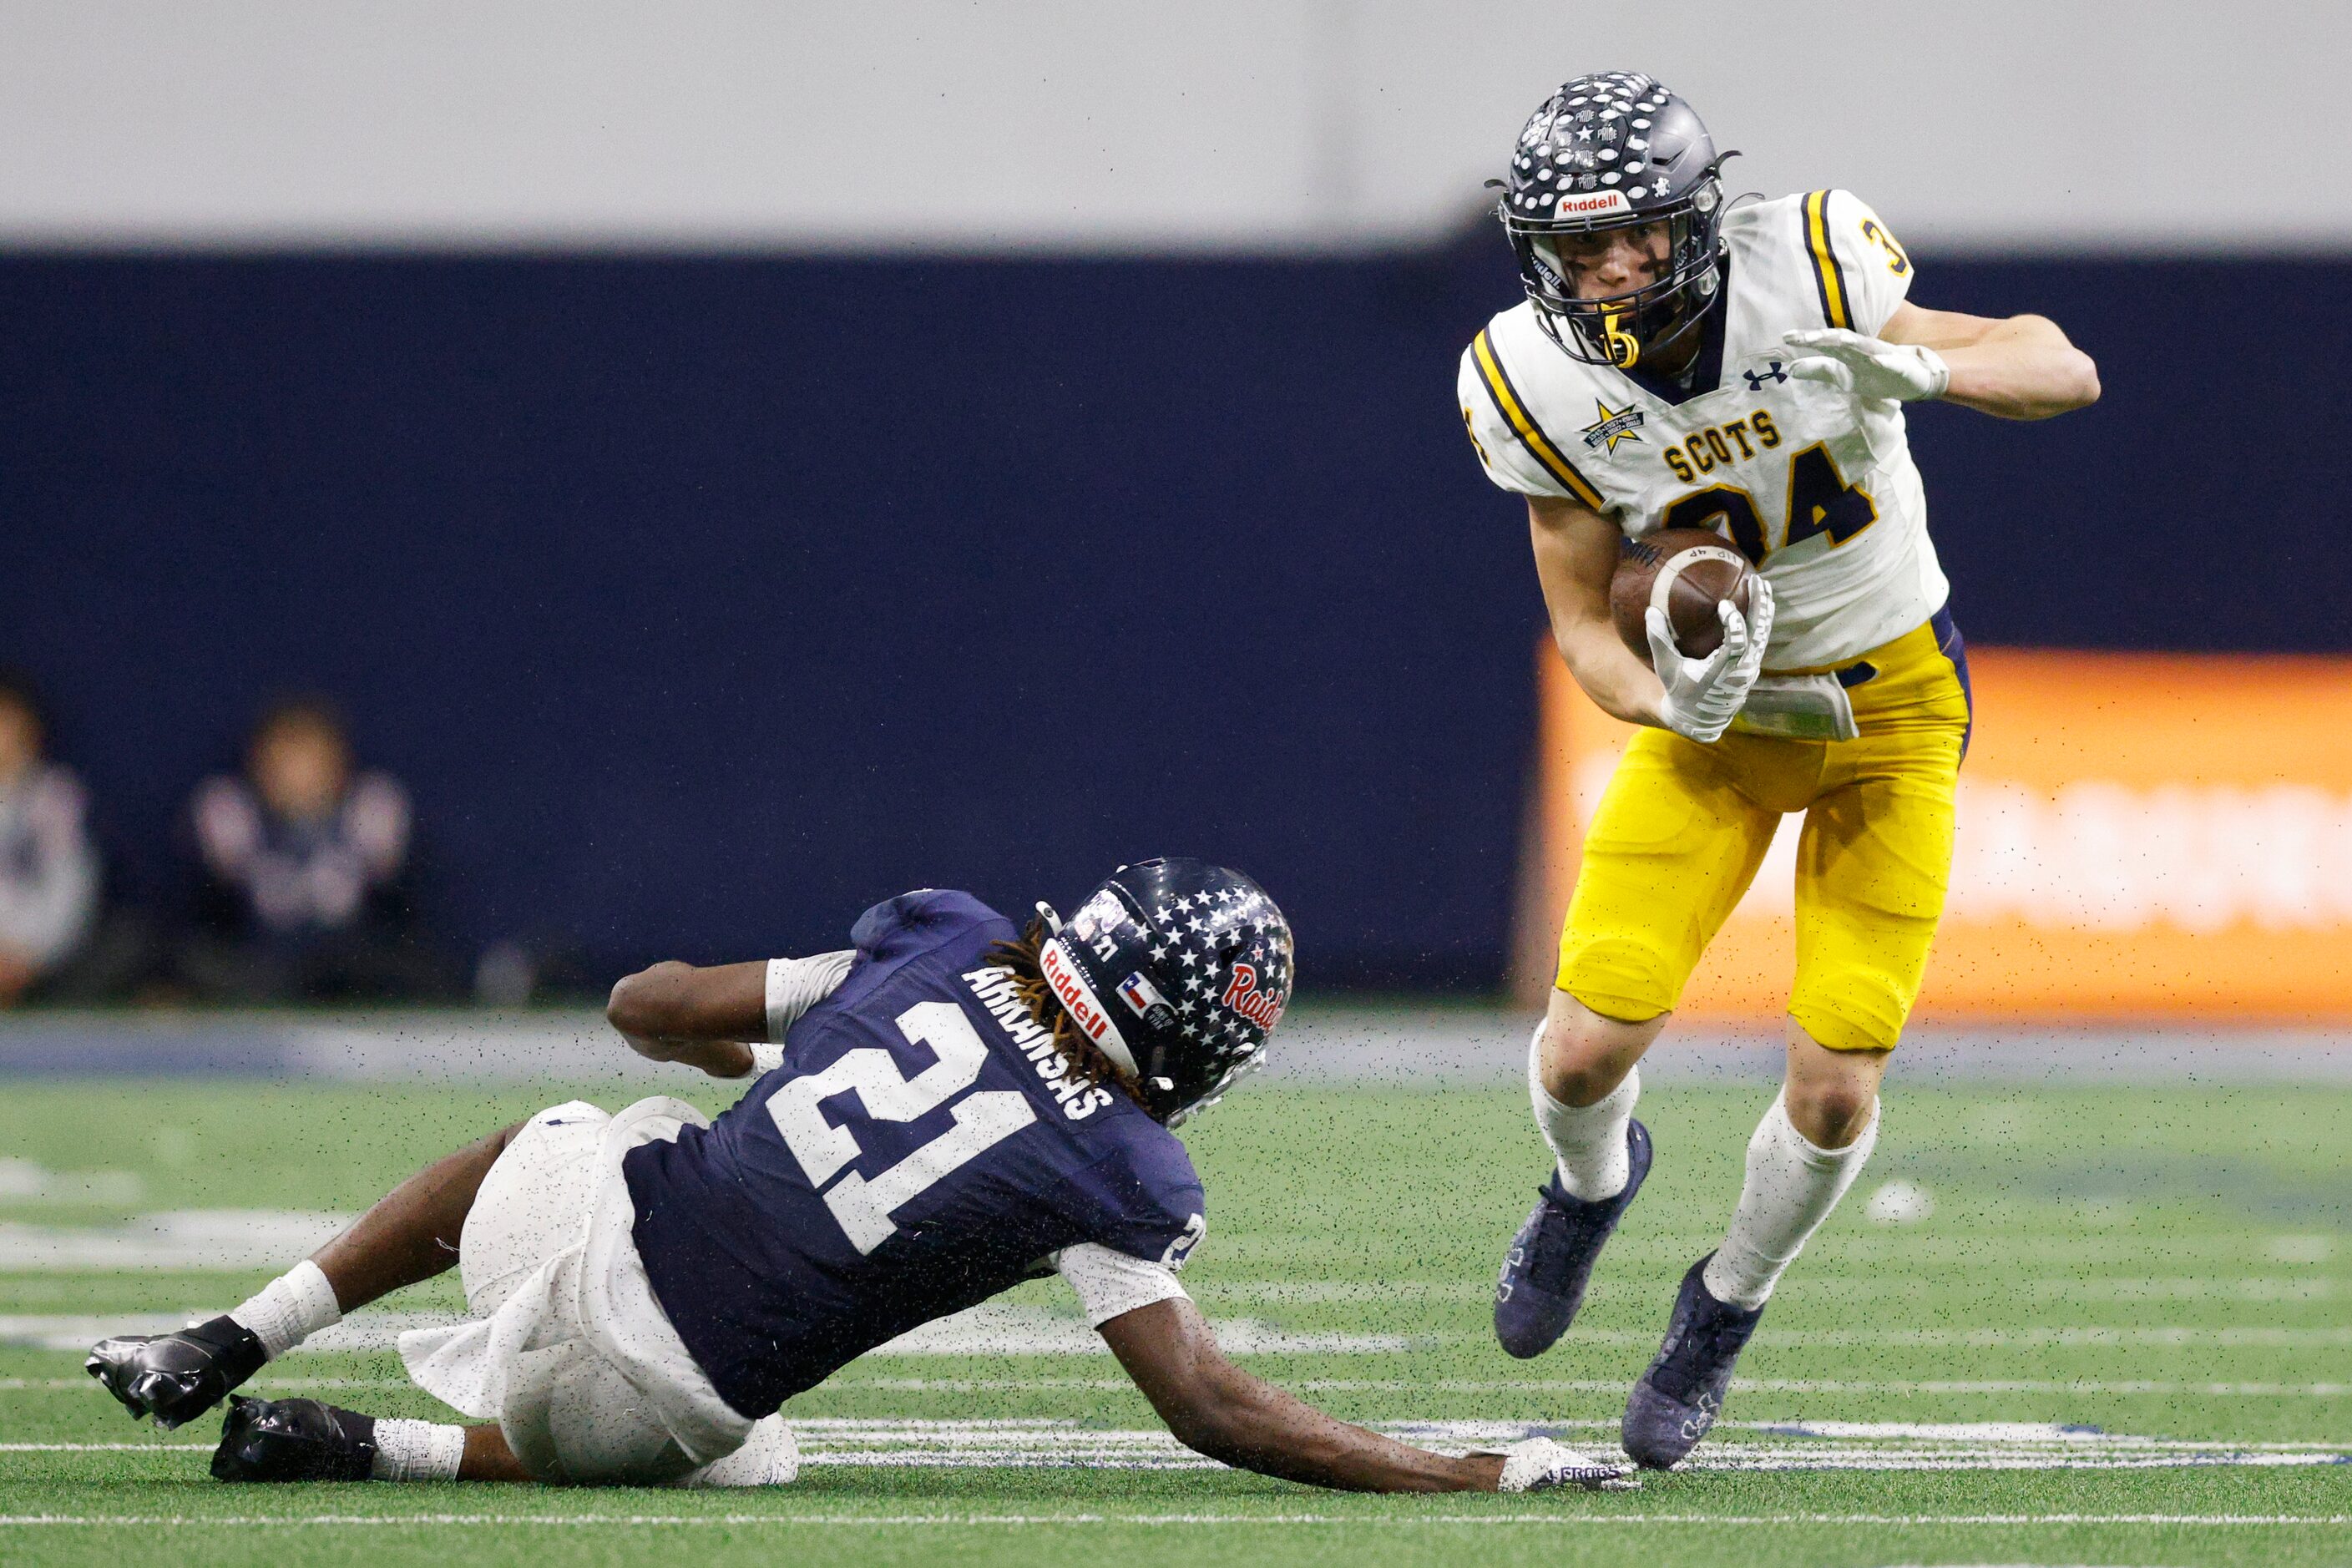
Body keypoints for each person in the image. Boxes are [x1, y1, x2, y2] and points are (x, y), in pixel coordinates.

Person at [90, 859, 1626, 1495]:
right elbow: (1206, 1407)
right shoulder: (1123, 1167)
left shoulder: (946, 937)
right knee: (752, 1446)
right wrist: (1463, 1469)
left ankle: (232, 1337)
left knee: (554, 1134)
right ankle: (377, 1450)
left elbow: (642, 1002)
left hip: (544, 1244)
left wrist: (774, 1046)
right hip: (637, 1422)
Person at [1457, 73, 2099, 1468]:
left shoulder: (1809, 260)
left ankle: (1720, 1307)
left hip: (1893, 708)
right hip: (1721, 730)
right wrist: (1665, 696)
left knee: (1832, 1088)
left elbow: (2062, 364)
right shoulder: (1526, 372)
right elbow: (1580, 624)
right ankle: (1586, 1186)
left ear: (1696, 219)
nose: (1610, 272)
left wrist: (1930, 370)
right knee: (1581, 1052)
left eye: (1635, 236)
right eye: (1578, 247)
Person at [180, 698, 447, 1000]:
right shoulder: (230, 812)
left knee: (408, 967)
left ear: (340, 765)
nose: (298, 776)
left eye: (310, 760)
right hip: (259, 963)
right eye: (283, 762)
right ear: (257, 765)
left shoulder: (372, 808)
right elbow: (217, 912)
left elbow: (392, 906)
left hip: (354, 964)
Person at [0, 670, 144, 1004]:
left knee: (127, 940)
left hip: (40, 965)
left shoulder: (58, 797)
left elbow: (71, 887)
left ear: (29, 732)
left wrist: (27, 957)